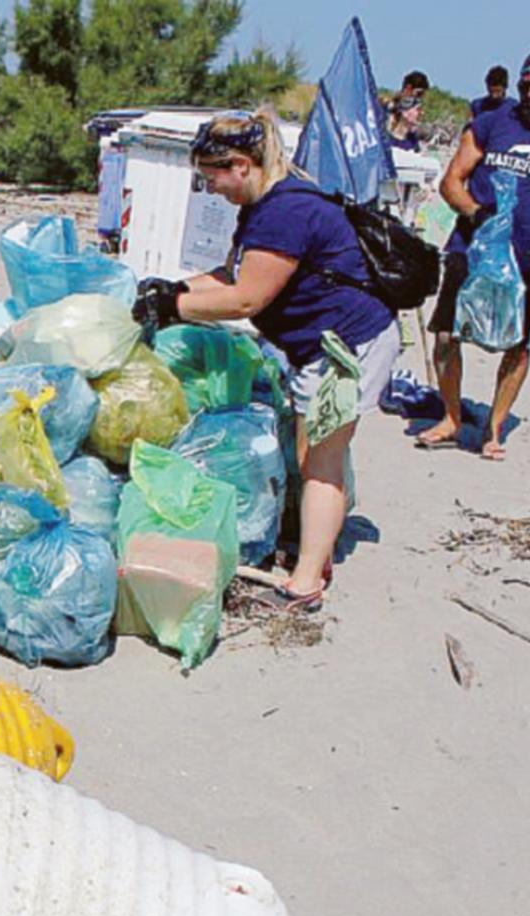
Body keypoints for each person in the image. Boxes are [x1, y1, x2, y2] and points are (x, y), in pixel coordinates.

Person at [133, 110, 399, 613]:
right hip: (321, 345)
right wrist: (176, 288)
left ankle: (304, 586)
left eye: (212, 179)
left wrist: (173, 309)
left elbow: (246, 300)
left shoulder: (284, 212)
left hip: (347, 346)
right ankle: (316, 553)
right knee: (312, 452)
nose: (211, 190)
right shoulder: (264, 205)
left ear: (240, 164)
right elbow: (232, 274)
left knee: (319, 465)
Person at [417, 48, 530, 461]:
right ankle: (450, 416)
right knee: (447, 335)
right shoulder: (491, 122)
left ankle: (494, 427)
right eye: (525, 86)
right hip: (471, 247)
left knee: (517, 345)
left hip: (528, 255)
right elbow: (452, 181)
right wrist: (478, 216)